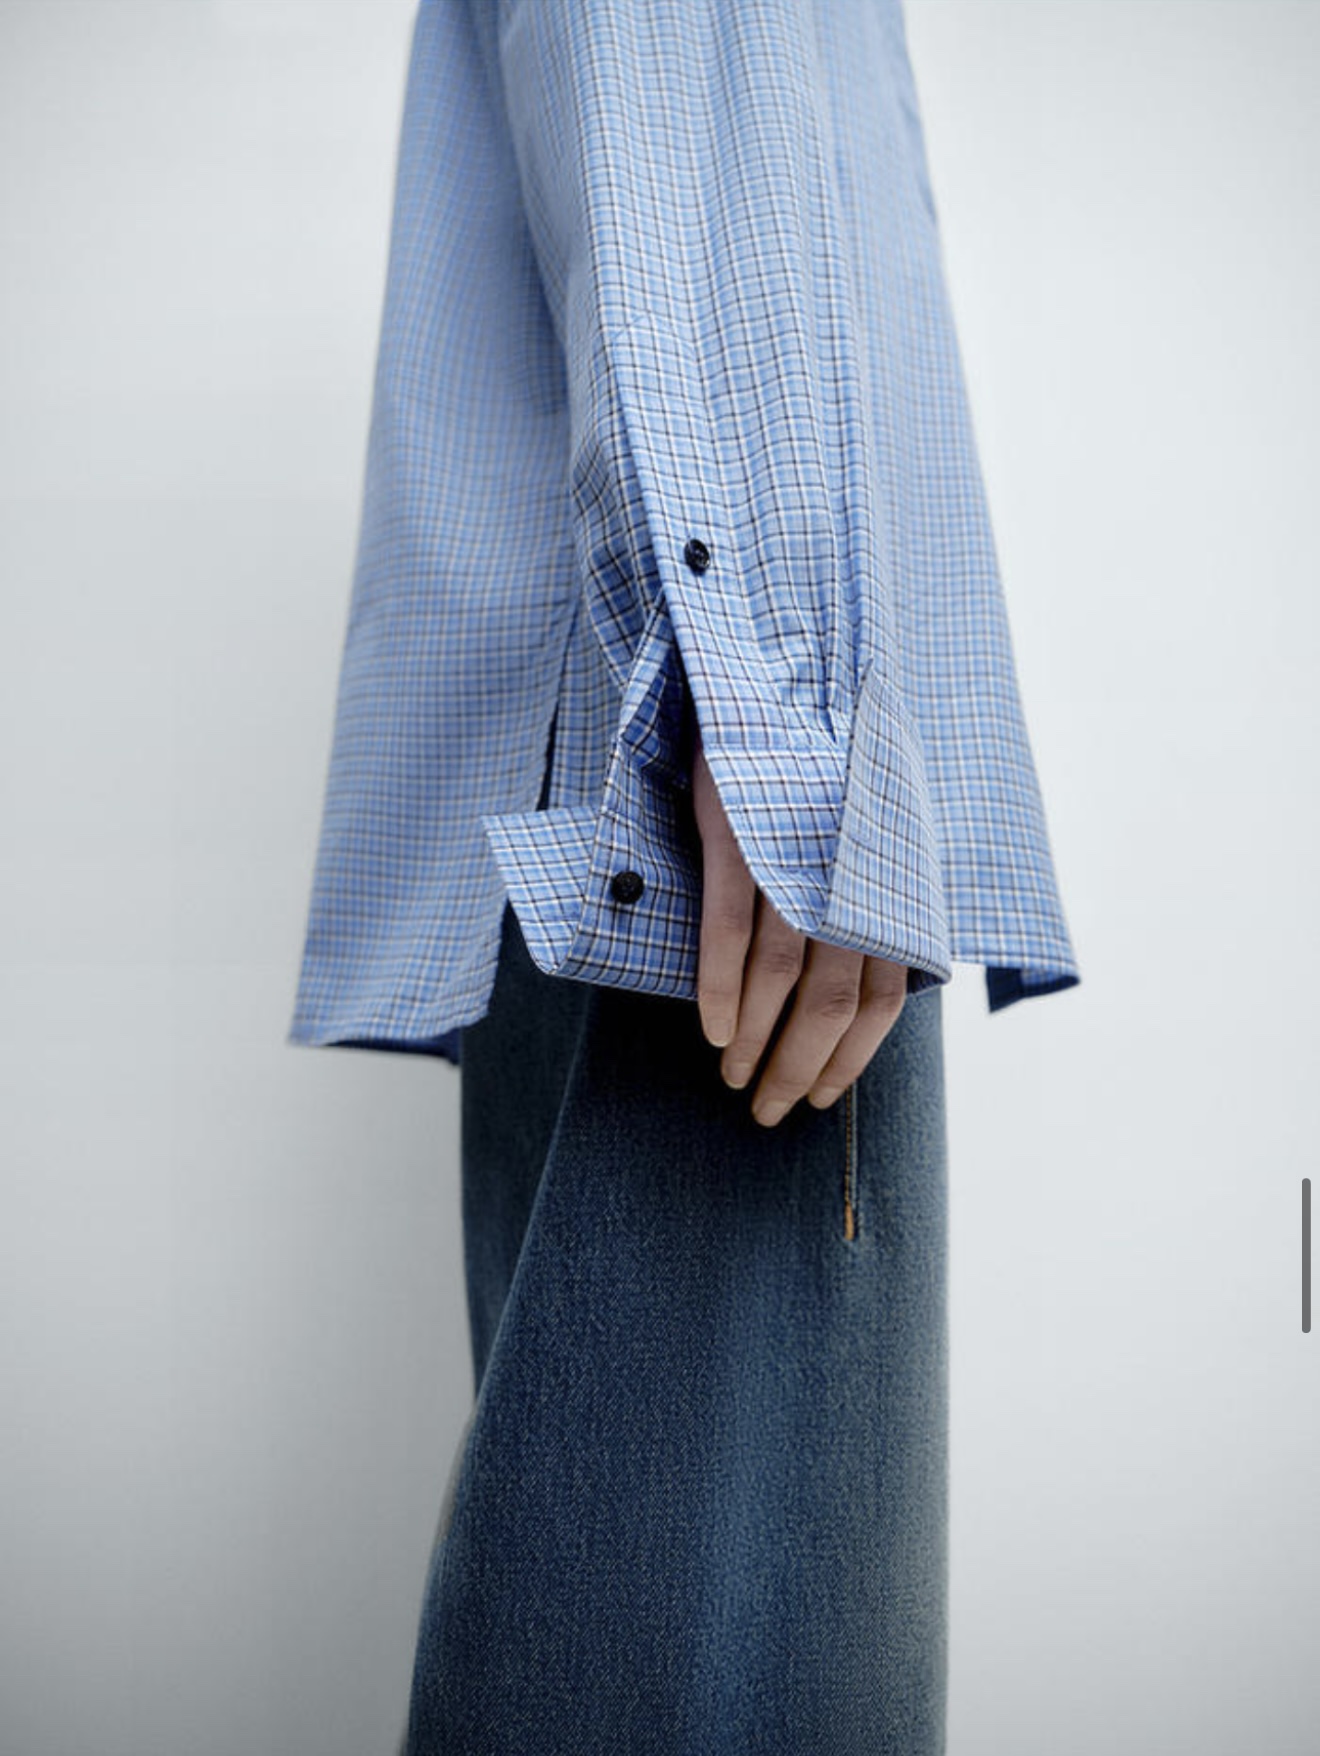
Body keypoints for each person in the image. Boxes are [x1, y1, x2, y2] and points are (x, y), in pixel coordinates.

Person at [287, 2, 1081, 1750]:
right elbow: (682, 88)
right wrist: (783, 724)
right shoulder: (768, 766)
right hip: (718, 826)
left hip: (649, 782)